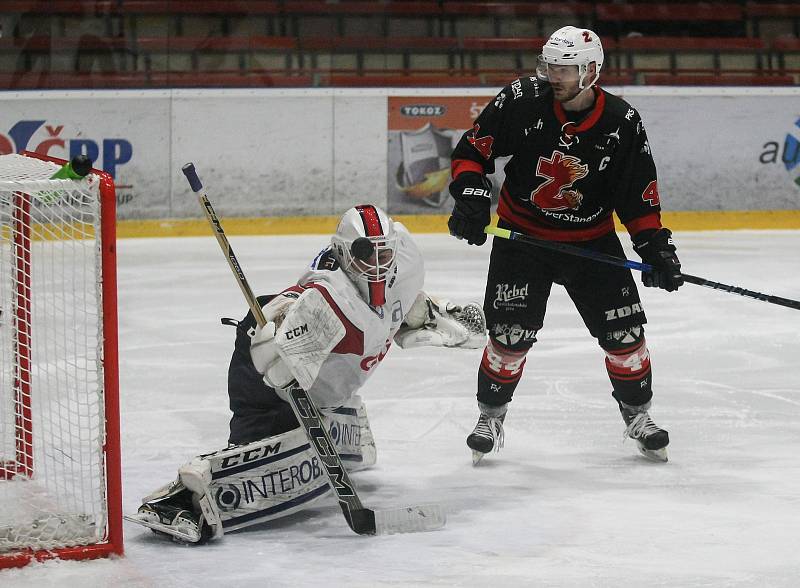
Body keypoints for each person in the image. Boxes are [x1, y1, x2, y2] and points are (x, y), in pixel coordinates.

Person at [126, 204, 486, 543]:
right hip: (264, 370)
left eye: (384, 253)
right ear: (345, 254)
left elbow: (394, 305)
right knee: (258, 452)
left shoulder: (404, 264)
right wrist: (279, 346)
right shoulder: (326, 299)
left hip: (324, 382)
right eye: (366, 256)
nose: (377, 265)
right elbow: (293, 314)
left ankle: (338, 426)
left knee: (320, 398)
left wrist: (429, 315)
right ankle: (180, 503)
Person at [446, 26, 684, 465]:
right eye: (550, 65)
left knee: (625, 336)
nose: (553, 75)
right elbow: (471, 153)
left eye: (565, 68)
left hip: (591, 243)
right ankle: (490, 416)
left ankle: (638, 415)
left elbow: (637, 193)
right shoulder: (522, 99)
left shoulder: (621, 121)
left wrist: (655, 248)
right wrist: (472, 198)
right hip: (523, 241)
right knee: (509, 338)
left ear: (591, 71)